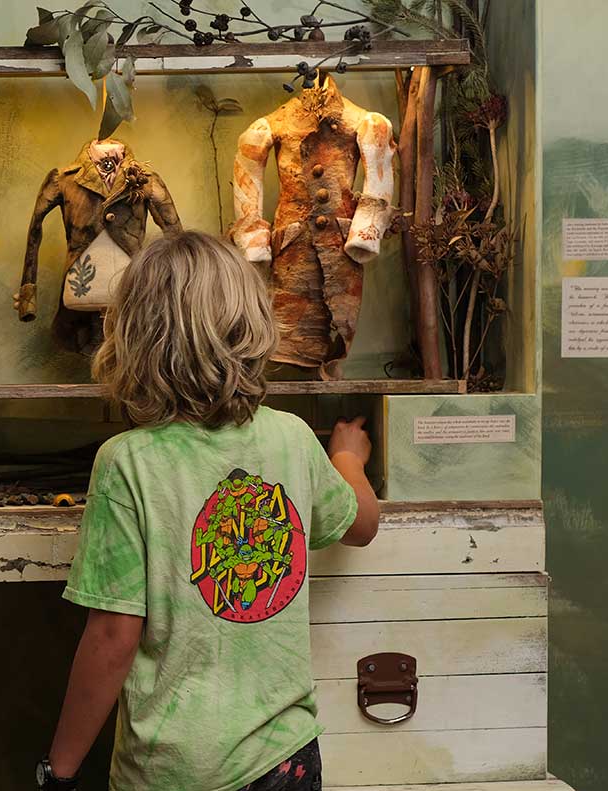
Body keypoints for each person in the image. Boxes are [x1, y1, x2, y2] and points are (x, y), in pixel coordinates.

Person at [37, 232, 380, 791]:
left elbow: (113, 638)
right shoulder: (293, 438)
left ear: (135, 336)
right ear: (252, 325)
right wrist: (346, 457)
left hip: (177, 770)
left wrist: (60, 769)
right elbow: (362, 525)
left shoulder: (127, 461)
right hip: (287, 757)